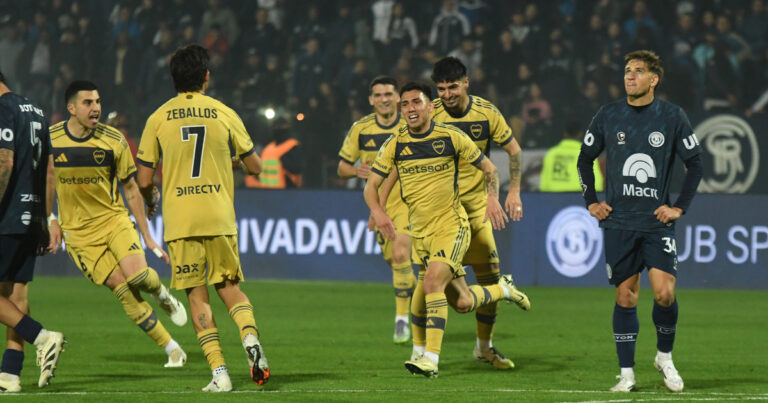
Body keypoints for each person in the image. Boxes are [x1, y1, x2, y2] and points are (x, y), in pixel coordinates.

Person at [365, 81, 523, 378]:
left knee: (432, 283)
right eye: (406, 104)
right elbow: (372, 184)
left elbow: (490, 168)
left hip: (452, 225)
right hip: (420, 231)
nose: (410, 109)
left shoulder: (451, 136)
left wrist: (493, 197)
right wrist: (378, 211)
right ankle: (503, 289)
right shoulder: (396, 143)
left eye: (416, 102)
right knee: (461, 302)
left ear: (430, 106)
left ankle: (429, 359)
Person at [136, 44, 269, 392]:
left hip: (181, 221)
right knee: (230, 288)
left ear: (173, 79)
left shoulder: (158, 117)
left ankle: (220, 373)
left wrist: (150, 201)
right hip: (218, 215)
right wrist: (231, 162)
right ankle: (251, 339)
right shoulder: (223, 112)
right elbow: (256, 167)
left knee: (197, 295)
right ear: (206, 76)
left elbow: (145, 179)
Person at [577, 50, 703, 393]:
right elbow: (585, 159)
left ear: (654, 79)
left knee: (664, 294)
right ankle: (627, 374)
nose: (629, 77)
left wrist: (679, 207)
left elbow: (696, 164)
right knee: (625, 298)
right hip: (619, 223)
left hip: (656, 223)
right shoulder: (608, 115)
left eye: (638, 72)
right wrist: (591, 202)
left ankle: (664, 357)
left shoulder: (672, 116)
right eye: (627, 71)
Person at [50, 80, 188, 371]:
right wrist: (51, 220)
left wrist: (149, 238)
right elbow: (43, 182)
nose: (96, 108)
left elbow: (132, 188)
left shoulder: (114, 140)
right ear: (71, 108)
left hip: (114, 221)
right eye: (88, 103)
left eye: (98, 101)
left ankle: (162, 294)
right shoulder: (50, 141)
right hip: (79, 235)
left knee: (137, 278)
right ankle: (172, 348)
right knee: (123, 290)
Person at [428, 56, 530, 370]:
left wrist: (510, 191)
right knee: (433, 285)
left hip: (476, 209)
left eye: (453, 87)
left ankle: (483, 348)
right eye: (442, 88)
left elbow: (513, 150)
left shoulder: (486, 113)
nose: (447, 94)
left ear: (466, 83)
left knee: (489, 277)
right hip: (441, 213)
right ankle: (423, 350)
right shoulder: (430, 113)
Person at [0, 70, 66, 392]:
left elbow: (4, 163)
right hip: (31, 215)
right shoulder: (36, 110)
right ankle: (10, 375)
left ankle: (42, 337)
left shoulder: (3, 109)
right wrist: (46, 218)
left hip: (7, 217)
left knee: (8, 297)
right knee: (16, 294)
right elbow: (50, 171)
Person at [337, 76, 416, 344]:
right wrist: (355, 170)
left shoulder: (410, 125)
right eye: (378, 95)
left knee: (401, 251)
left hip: (409, 201)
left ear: (397, 98)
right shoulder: (361, 128)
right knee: (396, 263)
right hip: (378, 206)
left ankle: (402, 321)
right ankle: (417, 300)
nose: (384, 99)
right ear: (371, 100)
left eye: (389, 94)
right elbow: (342, 167)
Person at [540, 121, 604, 192]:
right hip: (579, 198)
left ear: (565, 133)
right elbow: (596, 183)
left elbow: (543, 184)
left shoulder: (551, 154)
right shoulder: (587, 154)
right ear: (580, 134)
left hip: (553, 197)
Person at [246, 117, 303, 188]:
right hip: (265, 192)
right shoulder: (268, 149)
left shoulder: (293, 146)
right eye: (276, 127)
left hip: (286, 193)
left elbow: (297, 169)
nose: (278, 130)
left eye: (280, 127)